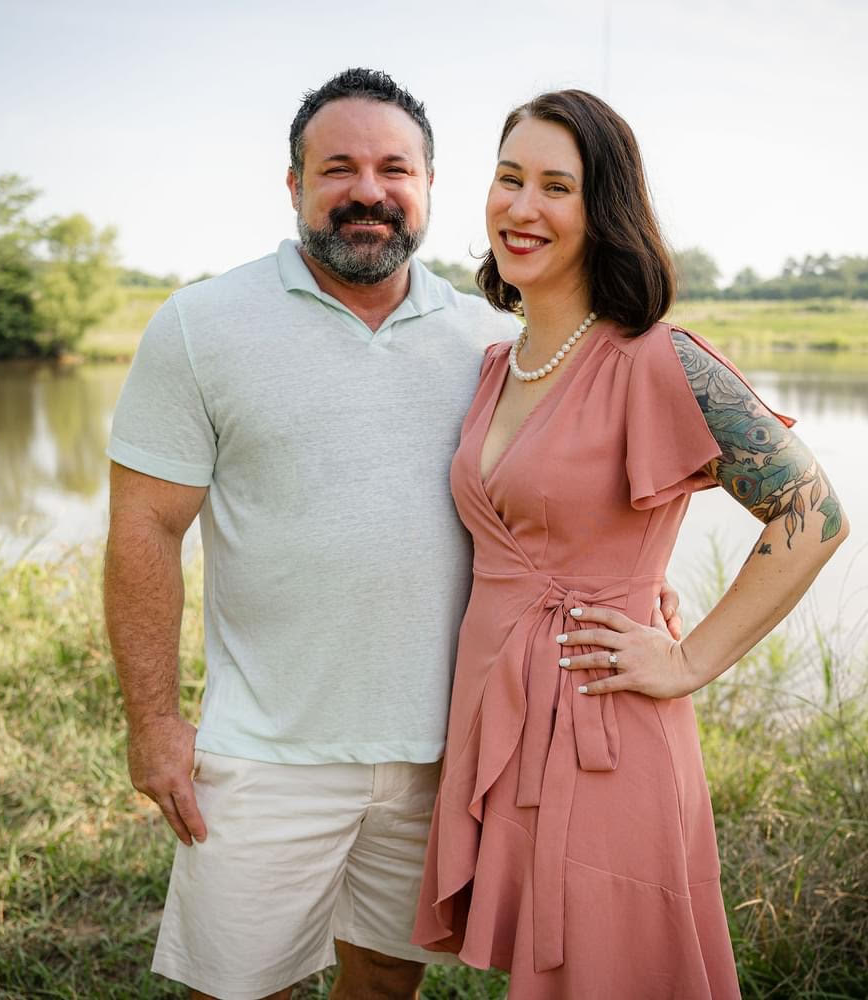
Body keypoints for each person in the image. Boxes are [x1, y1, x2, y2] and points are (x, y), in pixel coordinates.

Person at [103, 69, 681, 1000]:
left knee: (382, 988)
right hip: (264, 751)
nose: (368, 191)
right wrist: (154, 722)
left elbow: (560, 493)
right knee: (239, 990)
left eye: (394, 169)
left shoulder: (490, 340)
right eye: (338, 168)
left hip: (436, 754)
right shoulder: (201, 327)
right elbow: (144, 530)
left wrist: (639, 576)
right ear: (292, 184)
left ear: (428, 187)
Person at [411, 91, 850, 997]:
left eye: (556, 187)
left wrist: (690, 659)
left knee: (611, 973)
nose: (521, 208)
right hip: (507, 720)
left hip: (602, 726)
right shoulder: (500, 362)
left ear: (601, 211)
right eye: (508, 179)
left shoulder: (656, 358)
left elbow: (814, 515)